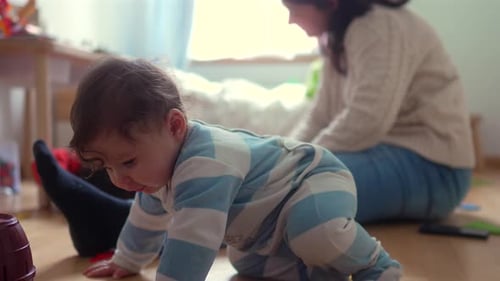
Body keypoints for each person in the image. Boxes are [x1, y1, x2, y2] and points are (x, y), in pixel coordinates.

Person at [38, 57, 401, 280]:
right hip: (265, 226)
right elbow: (146, 220)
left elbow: (192, 244)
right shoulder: (155, 175)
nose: (120, 178)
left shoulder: (203, 164)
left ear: (175, 126)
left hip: (312, 178)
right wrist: (127, 260)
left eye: (128, 161)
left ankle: (376, 265)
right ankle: (318, 272)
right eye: (107, 168)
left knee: (314, 232)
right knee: (245, 262)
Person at [282, 0, 475, 223]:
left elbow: (367, 121)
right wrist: (284, 158)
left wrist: (302, 162)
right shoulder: (336, 37)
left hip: (435, 169)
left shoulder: (377, 27)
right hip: (387, 152)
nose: (291, 19)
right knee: (287, 184)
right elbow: (319, 116)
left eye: (294, 9)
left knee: (300, 192)